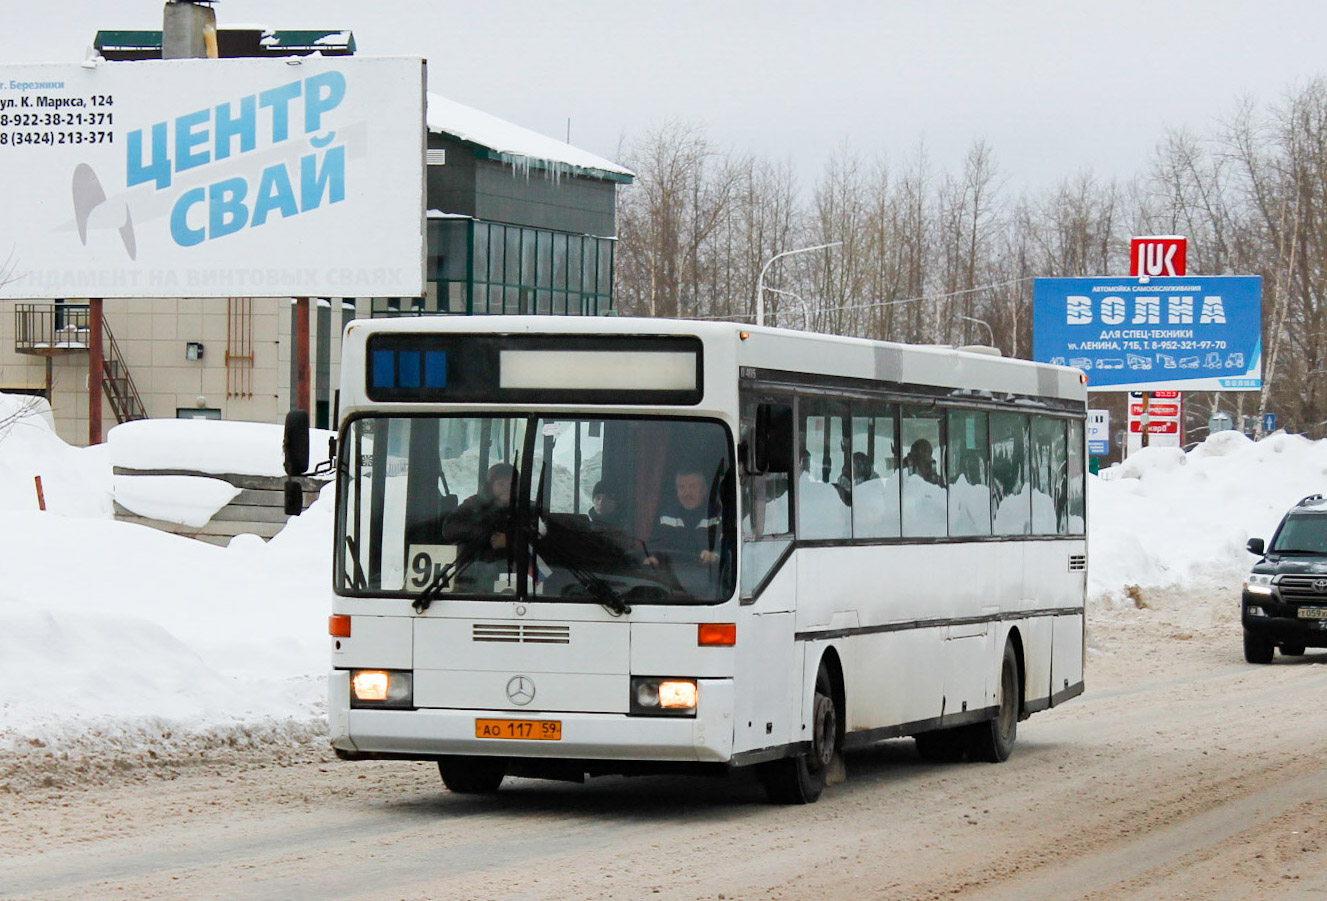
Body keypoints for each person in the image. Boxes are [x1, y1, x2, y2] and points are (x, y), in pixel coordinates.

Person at [645, 465, 723, 595]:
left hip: (711, 588)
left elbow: (730, 553)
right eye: (681, 488)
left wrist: (714, 556)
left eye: (692, 487)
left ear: (704, 490)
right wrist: (650, 558)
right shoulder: (665, 517)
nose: (686, 493)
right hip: (670, 586)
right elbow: (653, 549)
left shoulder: (718, 517)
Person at [441, 462, 517, 589]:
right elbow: (449, 528)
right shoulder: (474, 505)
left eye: (512, 484)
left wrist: (512, 539)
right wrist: (489, 536)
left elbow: (543, 534)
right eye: (501, 484)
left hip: (518, 579)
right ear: (490, 486)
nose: (507, 489)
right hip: (473, 578)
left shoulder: (528, 508)